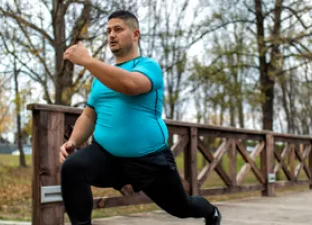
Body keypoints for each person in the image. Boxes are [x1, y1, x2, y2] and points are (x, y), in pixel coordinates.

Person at [60, 10, 221, 225]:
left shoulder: (148, 66)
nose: (111, 35)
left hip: (149, 159)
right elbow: (89, 114)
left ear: (135, 34)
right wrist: (73, 141)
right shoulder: (101, 76)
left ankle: (211, 212)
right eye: (108, 31)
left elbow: (130, 85)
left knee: (182, 207)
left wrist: (88, 61)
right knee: (73, 168)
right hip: (107, 156)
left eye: (118, 29)